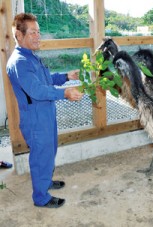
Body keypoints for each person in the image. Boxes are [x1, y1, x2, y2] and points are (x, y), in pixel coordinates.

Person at [6, 13, 84, 208]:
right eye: (32, 32)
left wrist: (66, 76)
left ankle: (45, 182)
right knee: (41, 156)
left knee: (49, 151)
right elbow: (37, 90)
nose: (38, 36)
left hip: (45, 113)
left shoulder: (31, 57)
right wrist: (64, 93)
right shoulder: (19, 62)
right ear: (18, 35)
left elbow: (46, 79)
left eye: (38, 32)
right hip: (35, 119)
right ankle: (41, 197)